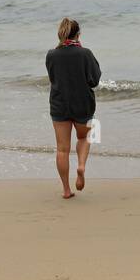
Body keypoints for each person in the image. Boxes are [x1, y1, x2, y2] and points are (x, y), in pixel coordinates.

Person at [45, 17, 101, 199]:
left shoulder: (51, 54)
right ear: (78, 34)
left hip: (59, 103)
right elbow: (94, 79)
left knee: (62, 149)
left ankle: (66, 190)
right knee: (84, 137)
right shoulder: (85, 53)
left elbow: (53, 78)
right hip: (82, 103)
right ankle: (82, 166)